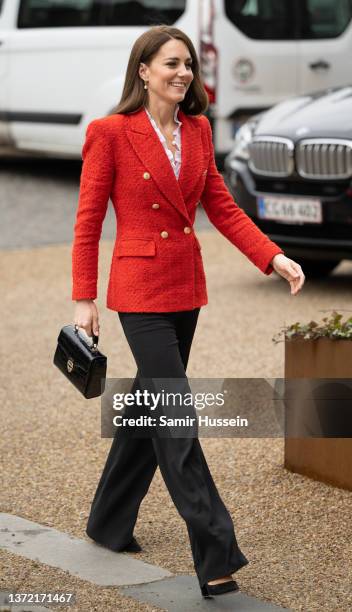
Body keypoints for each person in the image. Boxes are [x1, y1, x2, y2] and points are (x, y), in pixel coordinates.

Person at [71, 25, 305, 600]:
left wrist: (272, 256)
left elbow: (221, 207)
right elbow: (87, 222)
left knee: (152, 406)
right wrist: (84, 298)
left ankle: (107, 521)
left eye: (188, 65)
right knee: (177, 418)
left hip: (185, 288)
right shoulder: (110, 132)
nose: (183, 73)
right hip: (139, 293)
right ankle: (215, 548)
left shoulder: (198, 131)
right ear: (143, 70)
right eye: (171, 63)